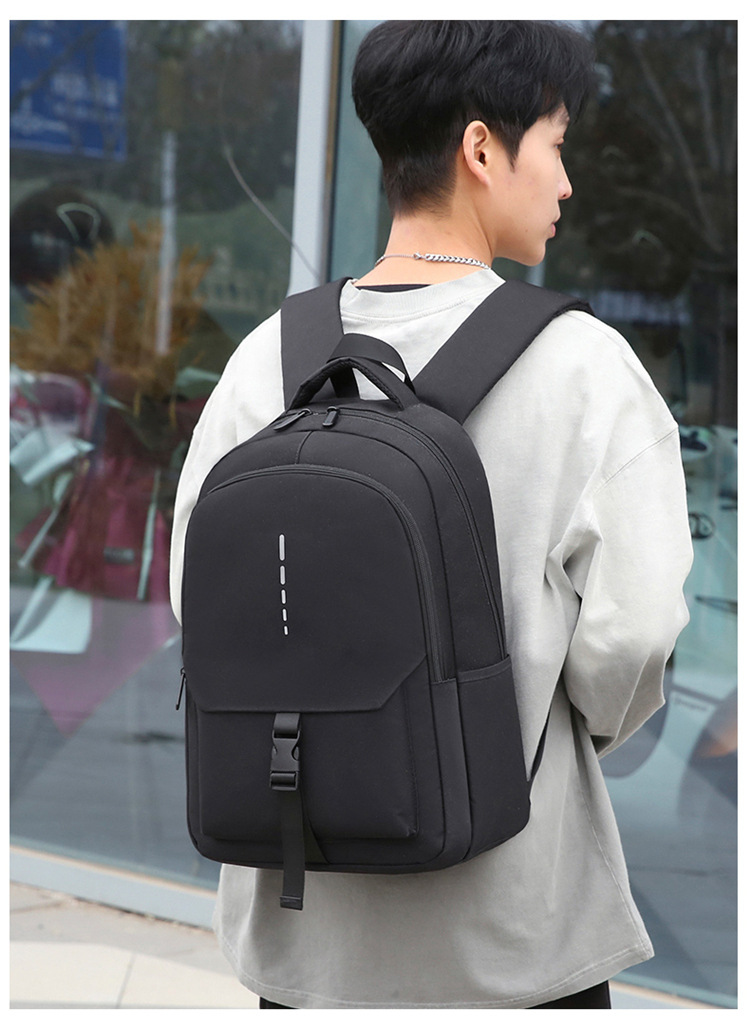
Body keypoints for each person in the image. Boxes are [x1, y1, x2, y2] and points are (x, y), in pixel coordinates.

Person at [169, 20, 693, 1008]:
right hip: (509, 941)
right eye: (557, 146)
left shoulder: (267, 358)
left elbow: (201, 604)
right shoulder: (585, 369)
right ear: (482, 148)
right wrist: (523, 724)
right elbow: (635, 638)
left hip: (303, 942)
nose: (566, 183)